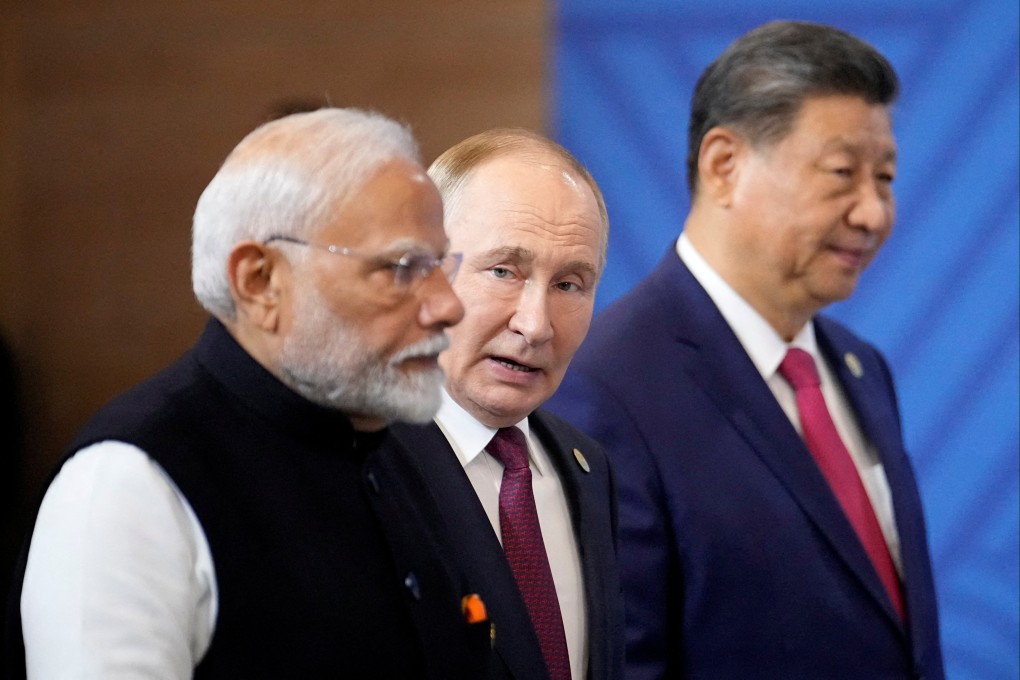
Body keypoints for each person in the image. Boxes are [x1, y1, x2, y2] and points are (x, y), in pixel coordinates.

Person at [4, 108, 498, 678]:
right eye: (403, 268)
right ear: (260, 281)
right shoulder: (128, 484)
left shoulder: (404, 452)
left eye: (440, 265)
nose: (448, 305)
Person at [545, 20, 945, 680]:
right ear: (724, 165)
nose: (873, 213)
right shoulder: (609, 386)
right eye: (843, 173)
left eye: (887, 177)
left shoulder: (860, 368)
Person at [391, 129, 624, 680]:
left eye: (570, 284)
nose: (535, 324)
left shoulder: (586, 467)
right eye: (503, 271)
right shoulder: (359, 464)